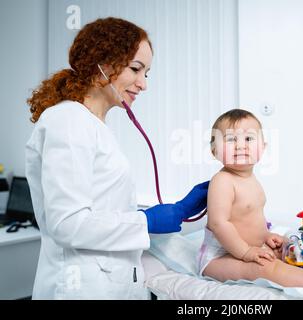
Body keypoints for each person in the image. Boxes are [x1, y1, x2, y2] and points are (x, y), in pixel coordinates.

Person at [25, 17, 208, 299]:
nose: (143, 84)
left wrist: (180, 210)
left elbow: (105, 209)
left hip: (111, 282)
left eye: (147, 73)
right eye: (136, 69)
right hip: (79, 287)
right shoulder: (68, 121)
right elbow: (67, 224)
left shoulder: (93, 126)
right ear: (102, 64)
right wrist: (145, 221)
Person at [197, 108, 303, 290]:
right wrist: (246, 252)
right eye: (231, 140)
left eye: (248, 139)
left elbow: (250, 219)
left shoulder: (251, 179)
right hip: (220, 257)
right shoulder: (222, 181)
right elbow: (219, 224)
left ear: (263, 147)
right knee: (266, 267)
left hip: (253, 247)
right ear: (214, 151)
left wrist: (266, 236)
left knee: (290, 248)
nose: (240, 146)